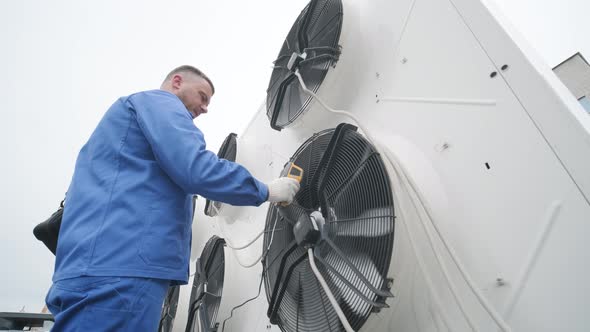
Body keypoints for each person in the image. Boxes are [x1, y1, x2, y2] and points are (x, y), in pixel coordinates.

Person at [45, 65, 300, 331]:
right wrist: (266, 190)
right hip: (123, 270)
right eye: (203, 96)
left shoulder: (120, 128)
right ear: (177, 82)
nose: (205, 108)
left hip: (95, 266)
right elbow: (195, 167)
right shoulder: (158, 103)